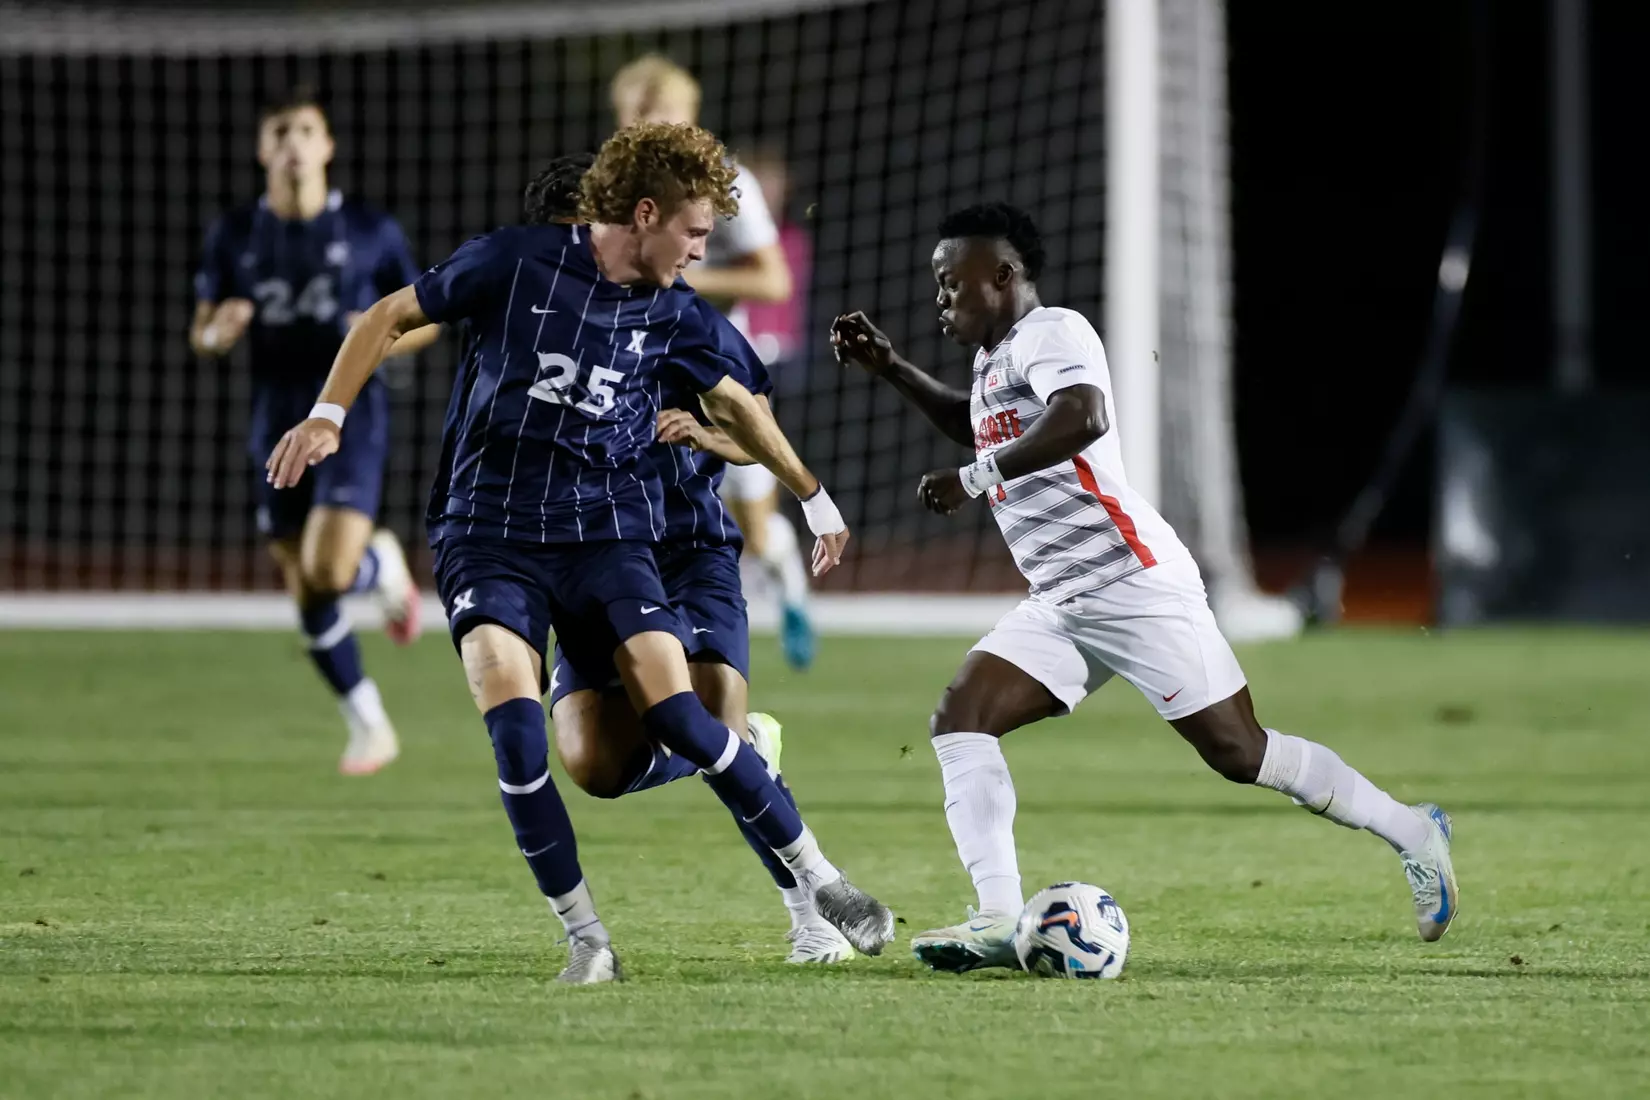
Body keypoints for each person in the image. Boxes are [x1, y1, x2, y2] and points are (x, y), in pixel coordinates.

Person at [266, 122, 896, 984]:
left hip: (629, 541)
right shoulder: (517, 268)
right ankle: (588, 941)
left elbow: (749, 410)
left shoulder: (675, 311)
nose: (706, 251)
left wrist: (806, 492)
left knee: (689, 717)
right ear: (638, 215)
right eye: (696, 233)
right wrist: (328, 412)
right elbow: (391, 316)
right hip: (495, 539)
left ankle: (822, 892)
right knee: (550, 753)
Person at [832, 202, 1457, 973]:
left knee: (1240, 753)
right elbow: (980, 426)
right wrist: (891, 368)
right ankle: (997, 917)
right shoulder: (996, 359)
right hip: (1061, 599)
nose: (941, 298)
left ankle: (1413, 831)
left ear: (1002, 276)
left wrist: (975, 478)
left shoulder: (1053, 331)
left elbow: (1083, 415)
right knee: (960, 719)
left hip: (1132, 582)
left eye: (950, 281)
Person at [515, 153, 855, 963]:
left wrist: (725, 443)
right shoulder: (523, 324)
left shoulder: (678, 319)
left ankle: (807, 913)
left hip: (684, 548)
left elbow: (754, 425)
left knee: (713, 722)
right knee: (595, 765)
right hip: (591, 556)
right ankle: (737, 746)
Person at [190, 88, 435, 776]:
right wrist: (218, 332)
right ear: (264, 150)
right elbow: (202, 332)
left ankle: (379, 566)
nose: (294, 142)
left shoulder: (369, 230)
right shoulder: (235, 234)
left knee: (328, 570)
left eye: (306, 130)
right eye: (280, 132)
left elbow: (430, 319)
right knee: (304, 586)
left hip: (350, 412)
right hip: (275, 410)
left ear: (326, 146)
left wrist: (377, 340)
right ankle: (369, 724)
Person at [610, 55, 816, 669]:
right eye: (636, 113)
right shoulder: (611, 185)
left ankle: (789, 586)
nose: (649, 124)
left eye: (661, 112)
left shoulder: (730, 183)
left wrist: (682, 281)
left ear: (691, 119)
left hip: (713, 371)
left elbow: (774, 280)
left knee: (752, 525)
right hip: (634, 370)